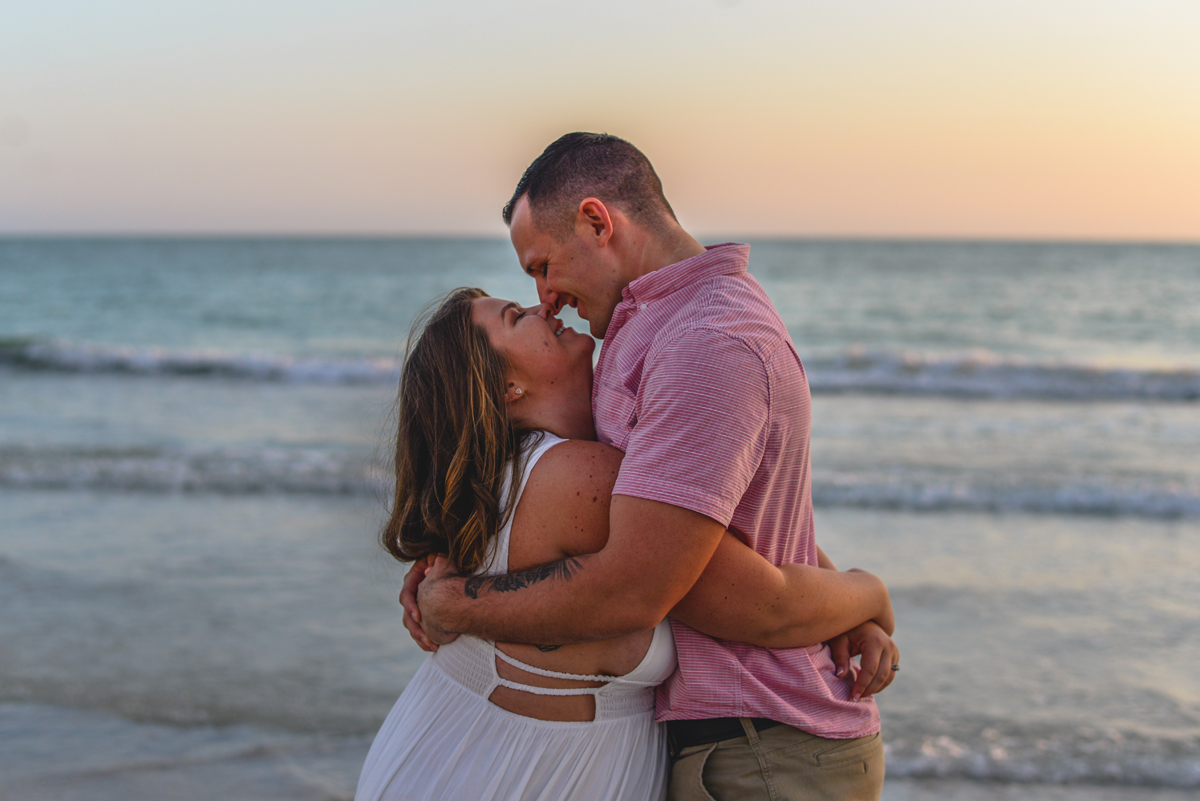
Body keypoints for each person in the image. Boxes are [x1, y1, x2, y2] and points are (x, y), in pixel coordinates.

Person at [405, 133, 900, 801]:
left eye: (543, 267)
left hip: (767, 744)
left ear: (596, 221)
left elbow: (643, 587)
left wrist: (868, 594)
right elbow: (729, 517)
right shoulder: (642, 330)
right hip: (735, 742)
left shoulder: (706, 345)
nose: (546, 296)